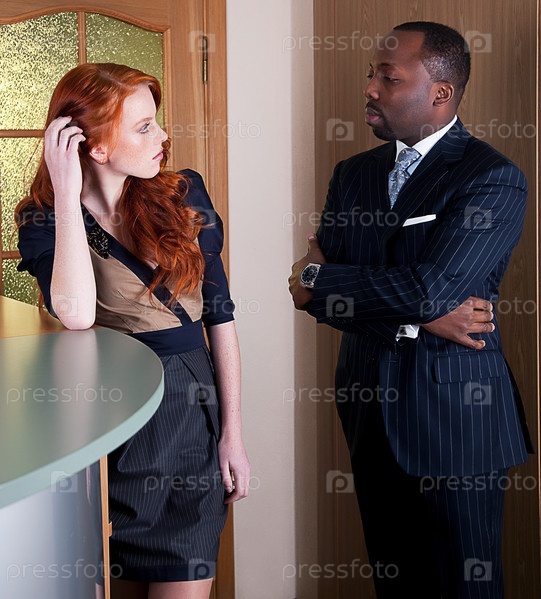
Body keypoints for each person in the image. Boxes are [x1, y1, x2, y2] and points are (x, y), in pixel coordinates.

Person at [289, 21, 532, 599]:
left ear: (441, 92)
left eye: (388, 78)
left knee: (467, 587)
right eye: (370, 74)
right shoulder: (353, 175)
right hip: (369, 410)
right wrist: (423, 314)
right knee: (394, 582)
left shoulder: (492, 177)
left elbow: (428, 288)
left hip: (457, 421)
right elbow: (313, 298)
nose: (369, 88)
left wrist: (324, 278)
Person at [15, 63, 250, 599]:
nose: (163, 136)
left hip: (193, 416)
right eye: (144, 127)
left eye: (156, 121)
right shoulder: (43, 219)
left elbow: (220, 315)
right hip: (113, 422)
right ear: (94, 147)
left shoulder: (185, 193)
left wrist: (233, 433)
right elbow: (75, 313)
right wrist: (68, 197)